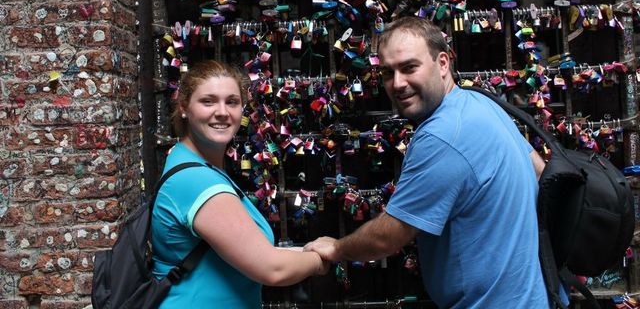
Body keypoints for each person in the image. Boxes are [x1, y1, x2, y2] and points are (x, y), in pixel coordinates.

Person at [305, 16, 550, 308]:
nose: (397, 84)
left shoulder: (442, 136)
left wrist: (336, 247)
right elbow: (540, 172)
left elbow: (389, 237)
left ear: (443, 63)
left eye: (409, 67)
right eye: (387, 72)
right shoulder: (481, 103)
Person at [151, 60, 328, 308]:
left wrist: (308, 250)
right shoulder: (196, 180)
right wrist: (323, 259)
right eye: (208, 101)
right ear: (183, 107)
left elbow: (246, 253)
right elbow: (272, 269)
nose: (222, 111)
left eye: (232, 102)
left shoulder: (192, 162)